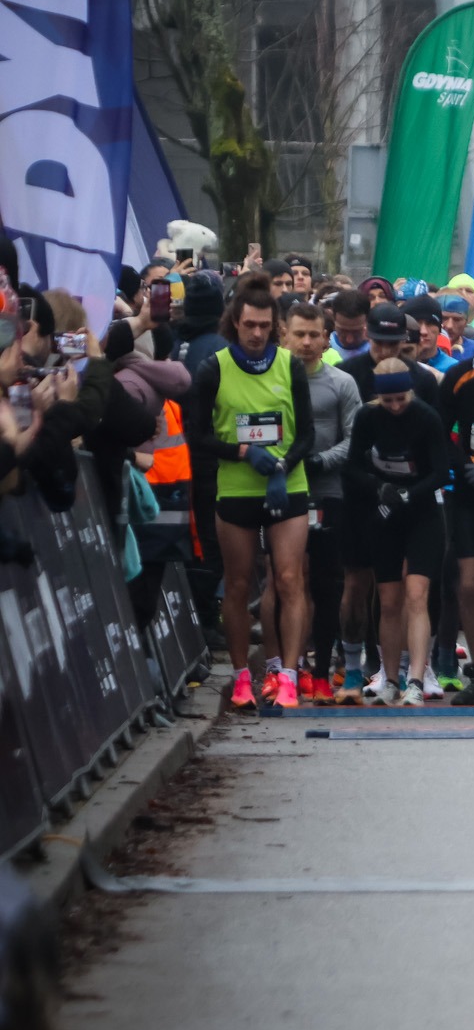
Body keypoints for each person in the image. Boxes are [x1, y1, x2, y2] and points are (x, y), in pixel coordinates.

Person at [185, 273, 314, 708]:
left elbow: (307, 436)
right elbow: (197, 435)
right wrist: (242, 451)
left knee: (289, 578)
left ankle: (289, 676)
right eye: (249, 325)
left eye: (264, 326)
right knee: (239, 584)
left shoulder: (290, 365)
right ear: (234, 324)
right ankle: (243, 677)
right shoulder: (213, 368)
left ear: (274, 326)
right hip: (237, 488)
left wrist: (281, 466)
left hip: (287, 486)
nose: (257, 333)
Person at [345, 359, 450, 705]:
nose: (394, 407)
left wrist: (409, 493)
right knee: (388, 600)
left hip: (422, 512)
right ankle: (390, 677)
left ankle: (416, 679)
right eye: (387, 401)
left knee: (417, 595)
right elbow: (353, 466)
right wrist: (378, 488)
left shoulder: (425, 417)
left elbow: (439, 471)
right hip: (385, 513)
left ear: (410, 392)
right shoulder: (367, 417)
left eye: (400, 399)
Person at [285, 300, 358, 701]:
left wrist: (318, 461)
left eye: (315, 335)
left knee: (329, 584)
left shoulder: (341, 383)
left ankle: (321, 667)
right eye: (300, 334)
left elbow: (355, 437)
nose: (307, 342)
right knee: (287, 581)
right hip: (282, 491)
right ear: (285, 335)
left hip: (328, 493)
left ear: (326, 339)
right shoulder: (273, 380)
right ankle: (286, 669)